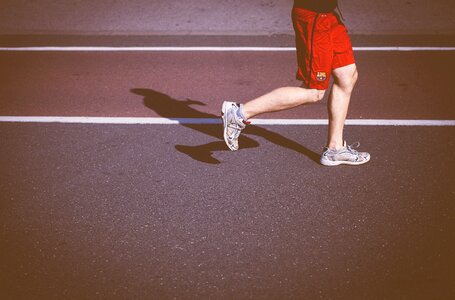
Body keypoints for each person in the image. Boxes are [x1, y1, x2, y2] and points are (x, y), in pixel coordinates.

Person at [221, 0, 370, 166]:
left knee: (347, 75)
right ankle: (239, 113)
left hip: (329, 15)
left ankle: (335, 149)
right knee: (314, 91)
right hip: (315, 15)